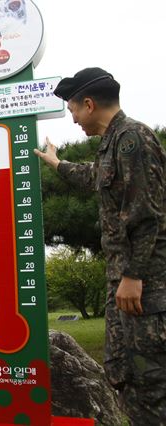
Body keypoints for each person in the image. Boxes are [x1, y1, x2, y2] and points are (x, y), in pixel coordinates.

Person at [34, 67, 166, 424]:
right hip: (124, 283)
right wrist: (56, 162)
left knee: (150, 382)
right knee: (123, 374)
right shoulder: (115, 144)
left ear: (88, 104)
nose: (74, 118)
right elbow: (95, 176)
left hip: (144, 288)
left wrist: (133, 275)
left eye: (73, 109)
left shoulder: (133, 139)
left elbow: (147, 216)